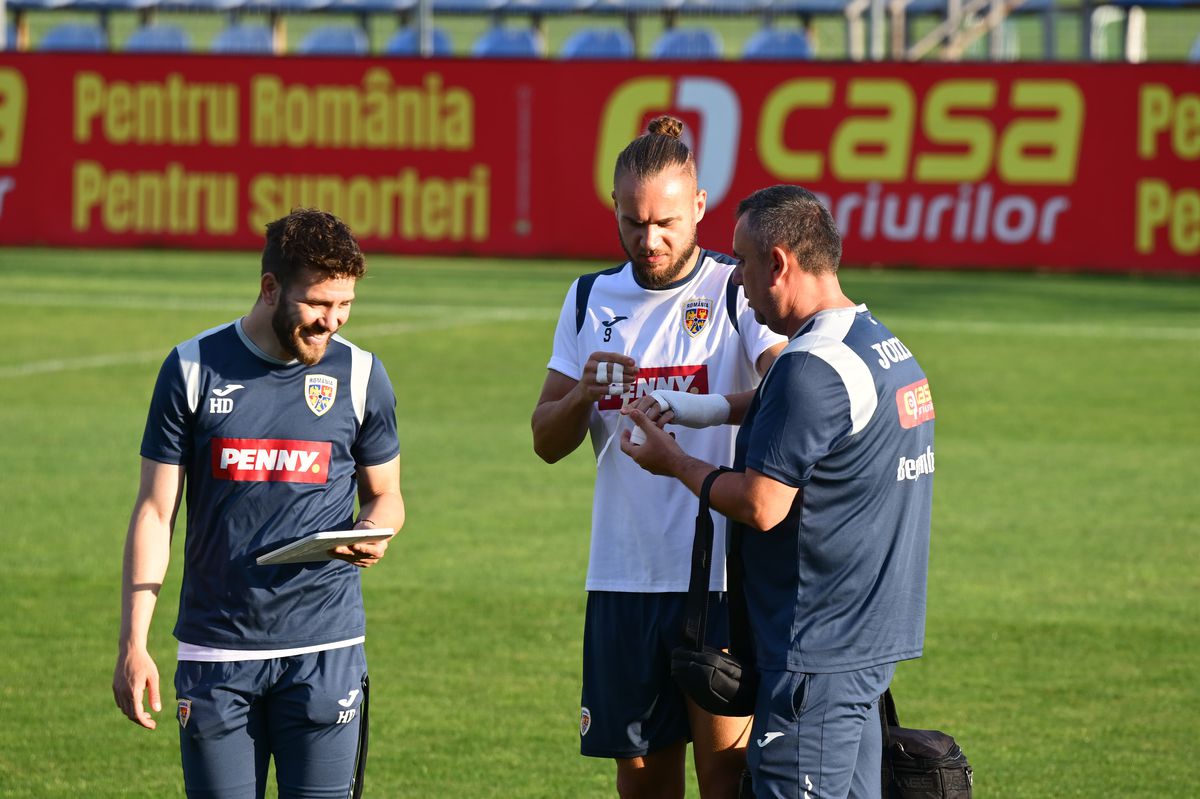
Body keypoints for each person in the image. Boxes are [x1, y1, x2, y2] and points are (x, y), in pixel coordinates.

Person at [620, 184, 935, 799]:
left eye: (741, 261)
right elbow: (798, 416)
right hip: (864, 643)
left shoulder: (809, 369)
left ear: (779, 263)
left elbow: (761, 505)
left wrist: (674, 462)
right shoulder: (876, 346)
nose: (736, 278)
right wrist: (703, 408)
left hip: (811, 655)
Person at [531, 116, 787, 799]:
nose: (650, 240)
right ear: (613, 209)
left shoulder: (735, 290)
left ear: (699, 206)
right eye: (634, 222)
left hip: (721, 576)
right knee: (642, 780)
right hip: (623, 573)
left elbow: (787, 390)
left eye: (667, 222)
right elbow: (546, 440)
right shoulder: (589, 298)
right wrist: (583, 392)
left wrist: (700, 408)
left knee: (726, 775)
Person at [112, 209, 405, 799]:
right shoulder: (191, 368)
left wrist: (376, 529)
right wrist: (133, 643)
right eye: (318, 304)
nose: (332, 321)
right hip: (216, 651)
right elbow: (155, 512)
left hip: (325, 650)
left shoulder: (361, 374)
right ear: (270, 288)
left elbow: (386, 493)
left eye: (345, 305)